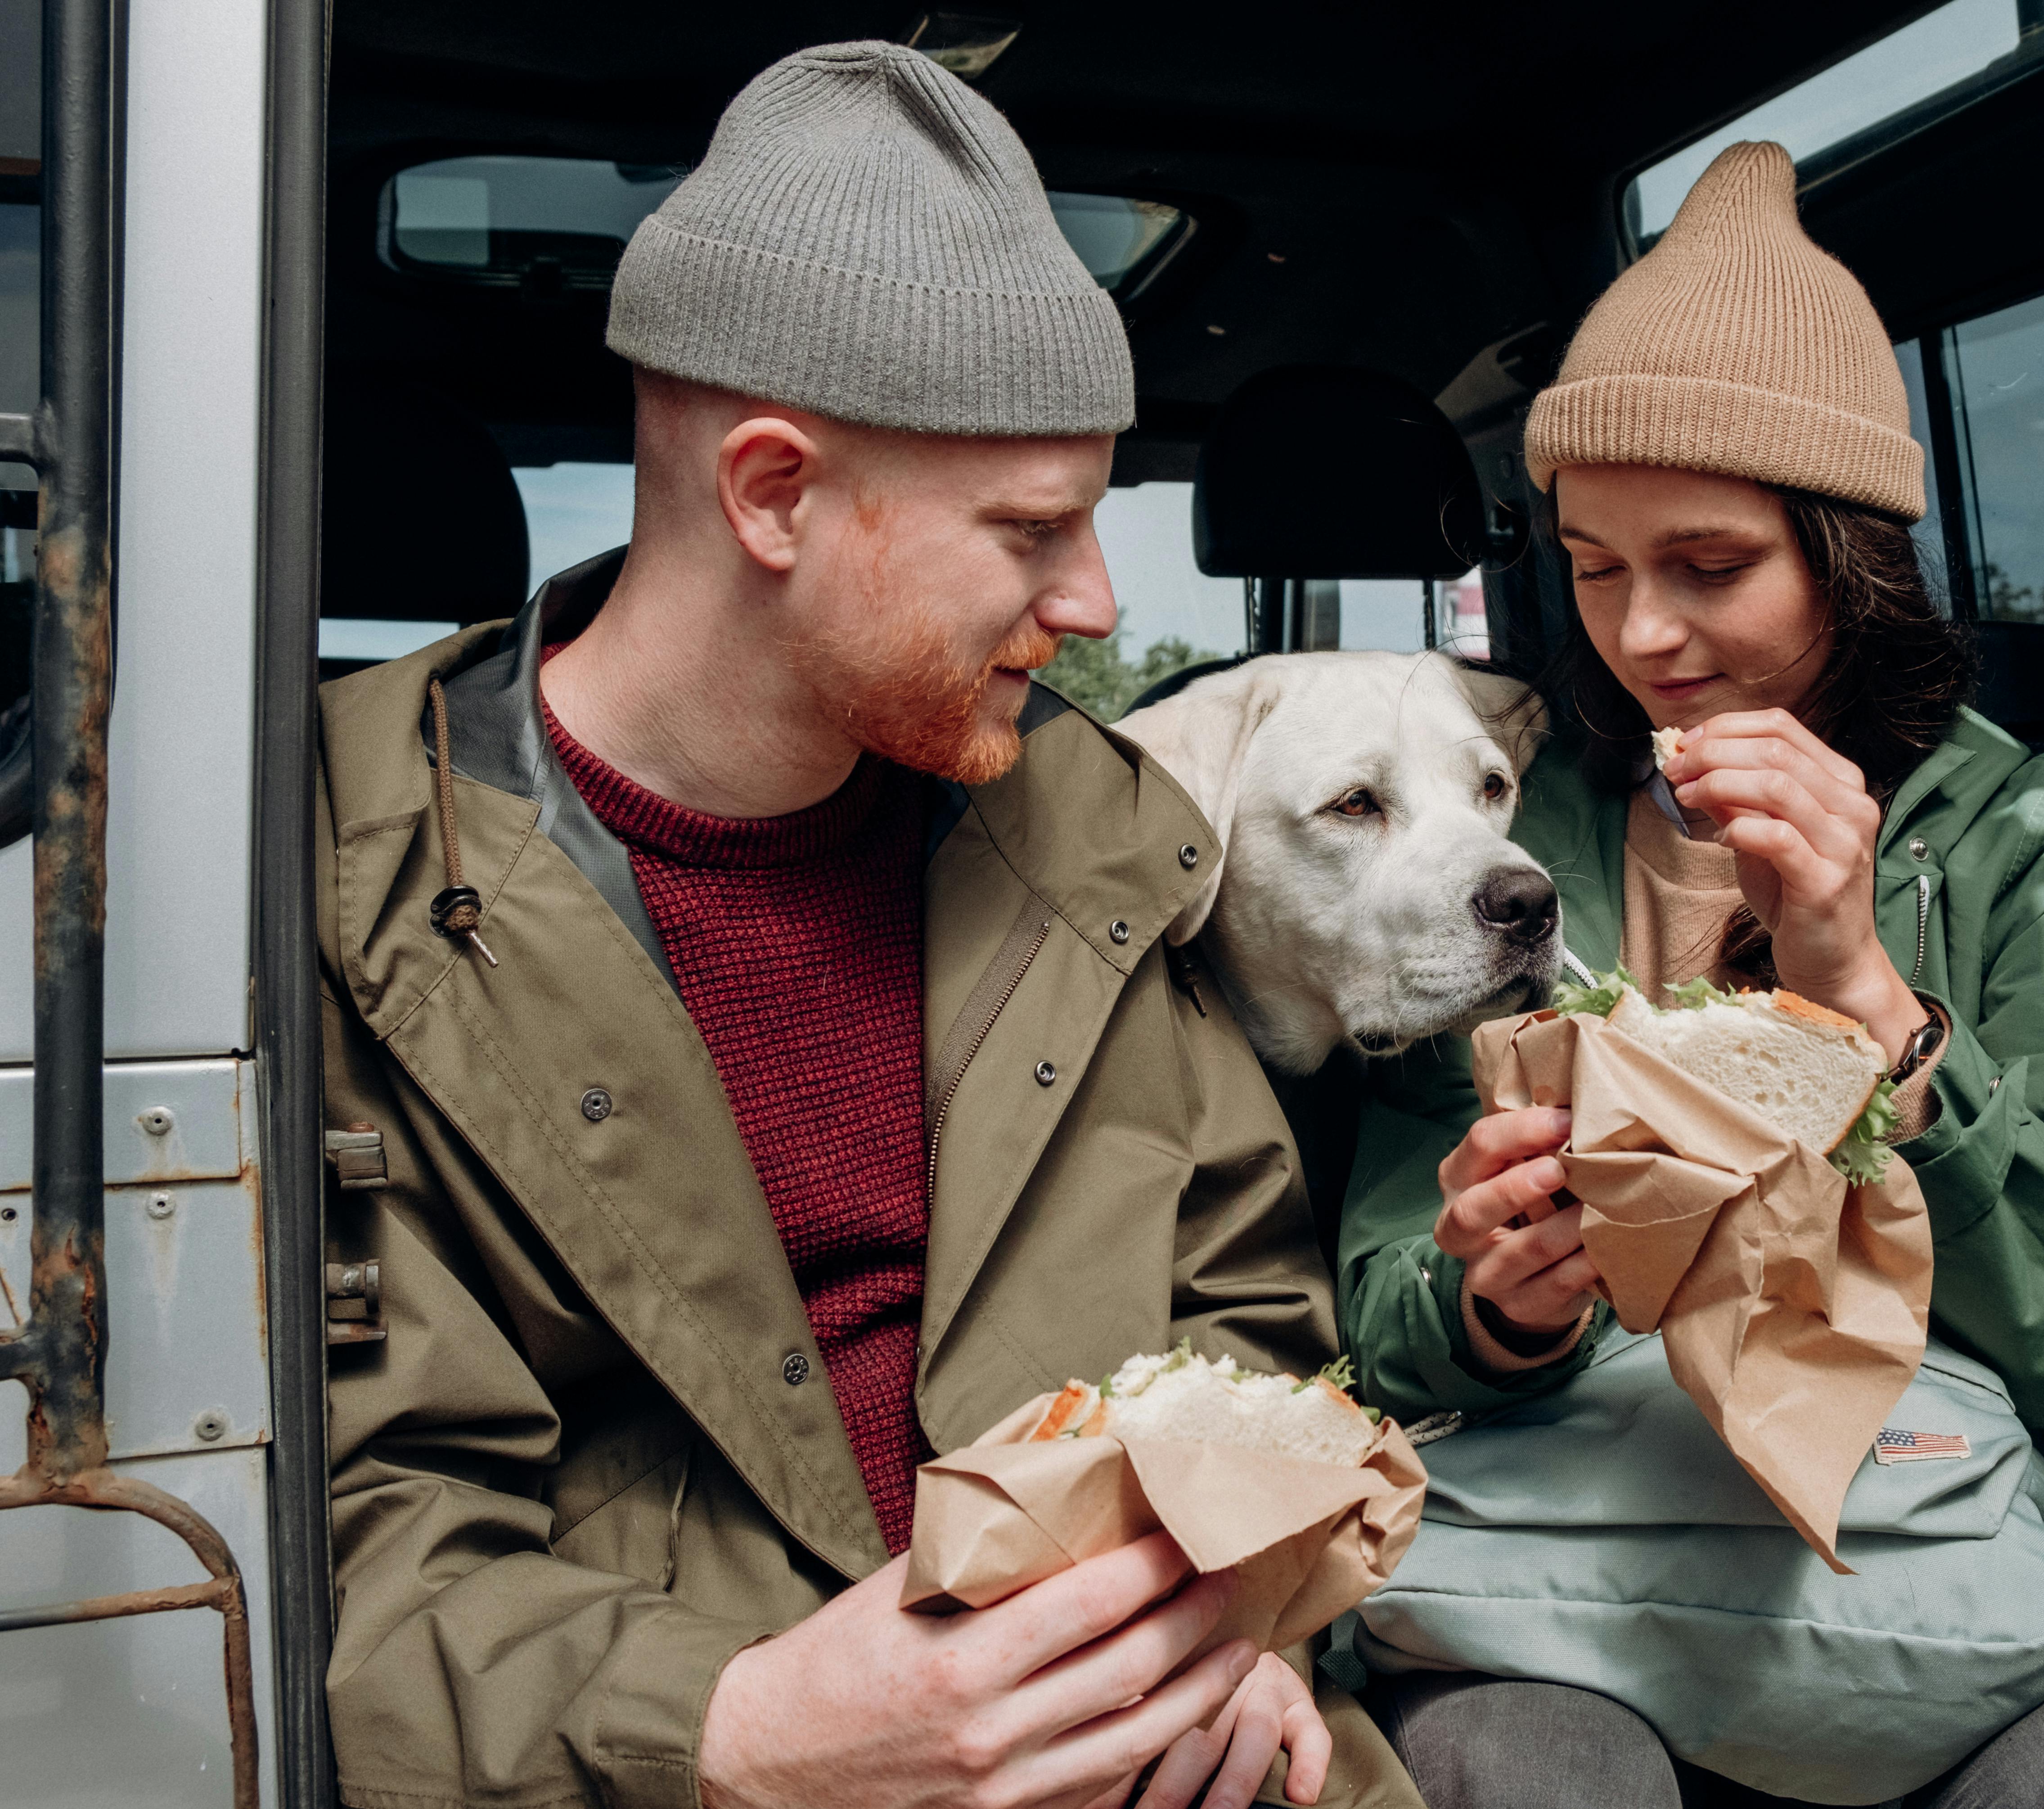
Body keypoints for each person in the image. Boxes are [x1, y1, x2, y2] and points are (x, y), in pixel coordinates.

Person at [315, 43, 1414, 1809]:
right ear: (772, 494)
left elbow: (1247, 1345)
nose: (1097, 604)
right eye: (1030, 531)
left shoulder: (1102, 846)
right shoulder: (331, 888)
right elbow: (342, 1544)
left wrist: (1253, 1625)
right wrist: (728, 1734)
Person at [1333, 143, 2044, 1806]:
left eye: (1708, 566)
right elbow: (1383, 1298)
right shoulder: (1501, 841)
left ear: (1849, 558)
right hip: (1566, 1535)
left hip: (1942, 1525)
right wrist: (1486, 1301)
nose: (1640, 637)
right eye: (1594, 564)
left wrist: (1858, 982)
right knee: (1521, 1775)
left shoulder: (2035, 831)